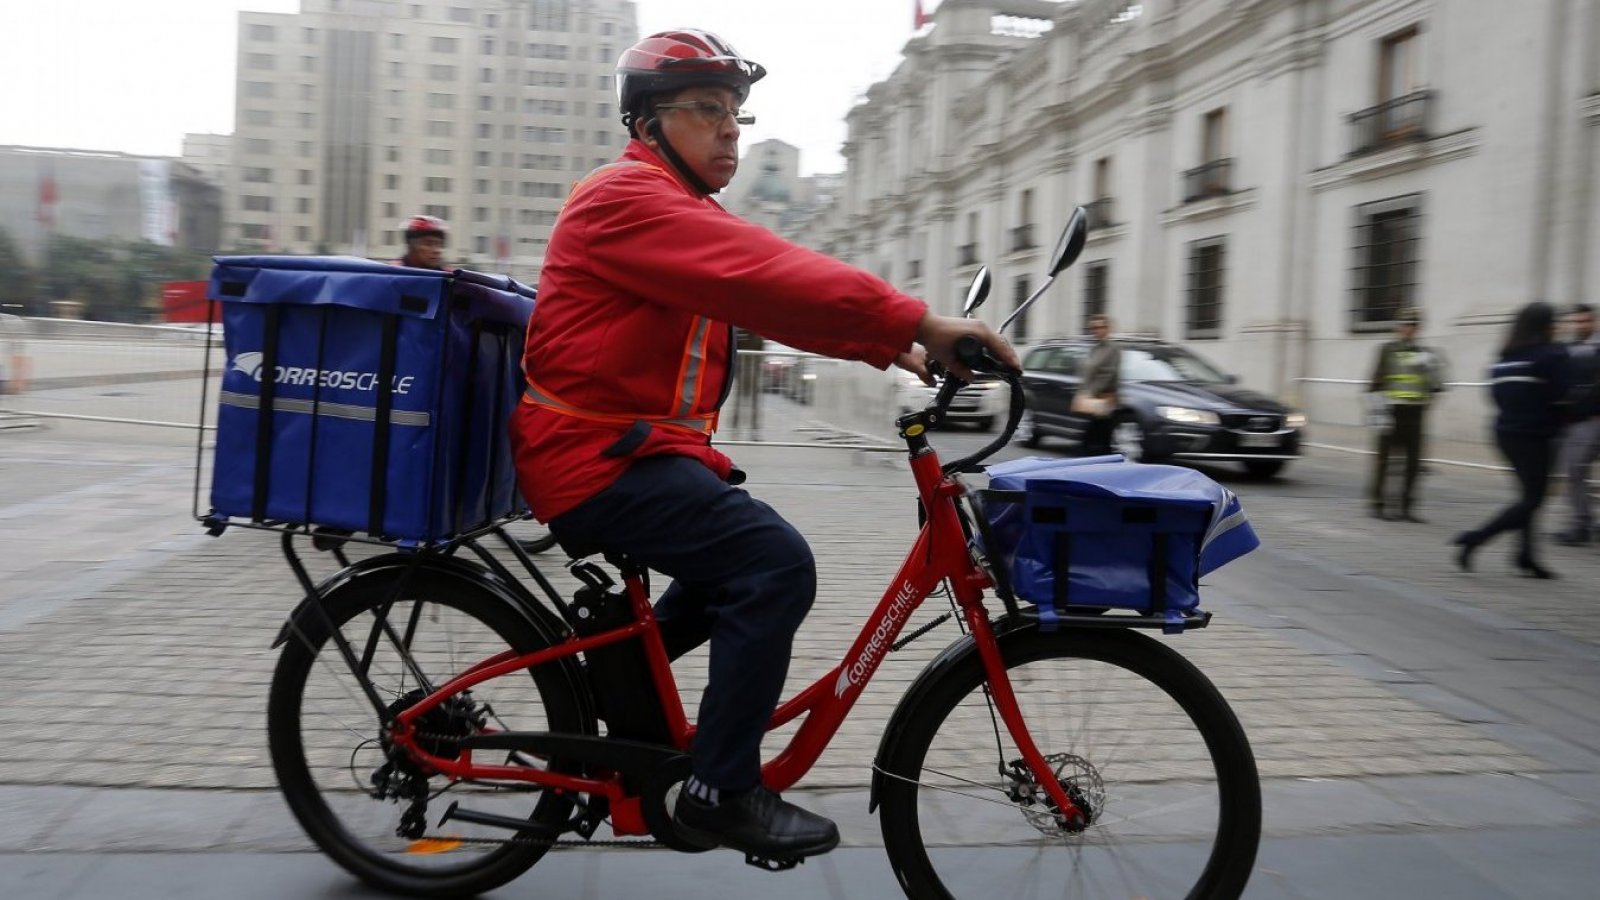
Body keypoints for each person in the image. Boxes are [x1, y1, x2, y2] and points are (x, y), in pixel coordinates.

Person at [508, 29, 1018, 861]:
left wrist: (892, 345)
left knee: (734, 566)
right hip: (592, 457)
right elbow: (763, 271)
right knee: (772, 565)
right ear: (647, 127)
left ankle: (608, 688)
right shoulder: (624, 199)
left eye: (736, 114)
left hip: (630, 451)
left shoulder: (679, 214)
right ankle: (720, 789)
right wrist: (913, 316)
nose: (730, 130)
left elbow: (771, 299)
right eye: (707, 111)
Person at [1453, 302, 1570, 578]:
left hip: (1505, 433)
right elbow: (1563, 395)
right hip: (1536, 436)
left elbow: (1494, 396)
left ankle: (1525, 555)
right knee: (1533, 499)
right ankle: (1477, 538)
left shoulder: (1505, 358)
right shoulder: (1551, 355)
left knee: (1528, 496)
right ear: (1547, 326)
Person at [1365, 307, 1445, 522]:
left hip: (1415, 413)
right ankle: (1378, 504)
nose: (1409, 329)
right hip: (1391, 411)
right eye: (1405, 325)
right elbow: (1375, 383)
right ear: (1398, 327)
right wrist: (1378, 413)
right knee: (1384, 460)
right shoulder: (1387, 351)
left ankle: (1407, 507)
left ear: (1418, 329)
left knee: (1413, 463)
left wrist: (1434, 375)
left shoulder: (1426, 354)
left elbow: (1436, 385)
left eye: (1413, 325)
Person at [1554, 303, 1600, 545]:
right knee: (1575, 471)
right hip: (1574, 420)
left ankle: (1581, 525)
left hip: (1590, 419)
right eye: (1576, 322)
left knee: (1575, 471)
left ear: (1595, 322)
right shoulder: (1569, 348)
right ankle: (1584, 522)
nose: (1579, 325)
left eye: (1584, 321)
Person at [1076, 314, 1119, 455]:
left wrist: (1091, 392)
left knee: (1096, 434)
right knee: (1100, 435)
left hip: (1103, 398)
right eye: (1093, 328)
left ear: (1107, 329)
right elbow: (1088, 372)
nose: (1096, 330)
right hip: (1093, 398)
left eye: (1099, 327)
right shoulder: (1095, 348)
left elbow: (1109, 374)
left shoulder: (1112, 349)